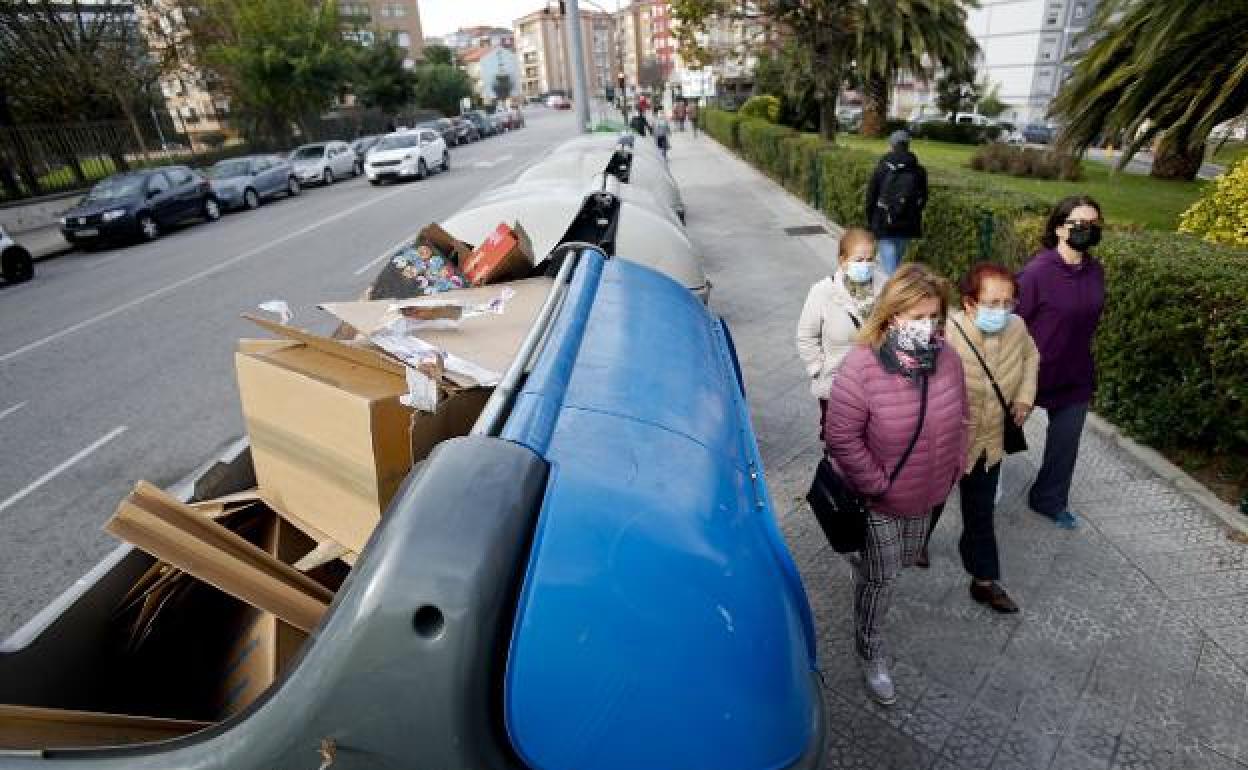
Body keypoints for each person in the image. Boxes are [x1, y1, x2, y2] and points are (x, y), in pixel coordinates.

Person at [823, 264, 969, 706]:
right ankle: (870, 650)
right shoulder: (861, 367)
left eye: (934, 317)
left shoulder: (949, 359)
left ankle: (866, 566)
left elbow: (962, 417)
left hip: (928, 495)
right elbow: (841, 436)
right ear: (890, 316)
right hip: (880, 499)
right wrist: (876, 483)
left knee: (900, 562)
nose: (927, 327)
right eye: (915, 316)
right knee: (882, 581)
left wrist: (954, 467)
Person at [920, 262, 1039, 613]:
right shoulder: (948, 331)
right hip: (948, 442)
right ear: (970, 303)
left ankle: (983, 580)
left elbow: (1031, 356)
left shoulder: (1017, 326)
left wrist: (1024, 398)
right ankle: (917, 543)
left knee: (981, 514)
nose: (1002, 311)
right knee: (931, 501)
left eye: (1008, 302)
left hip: (989, 443)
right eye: (993, 303)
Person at [1017, 195, 1106, 530]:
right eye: (1079, 224)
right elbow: (1013, 323)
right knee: (993, 440)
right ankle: (967, 488)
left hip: (1075, 373)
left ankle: (1049, 499)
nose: (1088, 230)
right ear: (1058, 228)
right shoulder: (1036, 273)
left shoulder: (1095, 271)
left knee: (1065, 445)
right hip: (1031, 373)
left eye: (1094, 224)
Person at [795, 227, 887, 437]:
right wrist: (818, 368)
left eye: (870, 259)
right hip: (837, 384)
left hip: (876, 381)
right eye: (859, 259)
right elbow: (806, 335)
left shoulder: (884, 288)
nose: (865, 265)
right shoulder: (823, 291)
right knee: (838, 438)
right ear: (842, 260)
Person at [865, 130, 928, 276]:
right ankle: (896, 291)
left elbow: (871, 197)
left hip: (883, 222)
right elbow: (923, 197)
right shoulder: (918, 170)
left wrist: (870, 220)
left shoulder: (881, 168)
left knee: (890, 269)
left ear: (891, 145)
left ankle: (895, 295)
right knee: (896, 262)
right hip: (907, 222)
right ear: (908, 146)